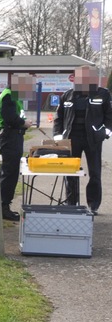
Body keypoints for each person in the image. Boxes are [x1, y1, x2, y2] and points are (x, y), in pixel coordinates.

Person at [52, 65, 112, 213]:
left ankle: (93, 205)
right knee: (71, 172)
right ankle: (72, 204)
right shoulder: (67, 95)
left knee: (95, 173)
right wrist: (58, 136)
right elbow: (58, 117)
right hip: (72, 139)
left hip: (93, 139)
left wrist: (104, 133)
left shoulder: (103, 94)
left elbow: (109, 116)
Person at [0, 73, 35, 221]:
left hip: (12, 136)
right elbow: (10, 118)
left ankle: (3, 205)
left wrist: (23, 122)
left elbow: (15, 116)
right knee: (9, 173)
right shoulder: (9, 96)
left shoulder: (12, 96)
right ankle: (3, 207)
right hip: (10, 137)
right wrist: (23, 123)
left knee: (9, 172)